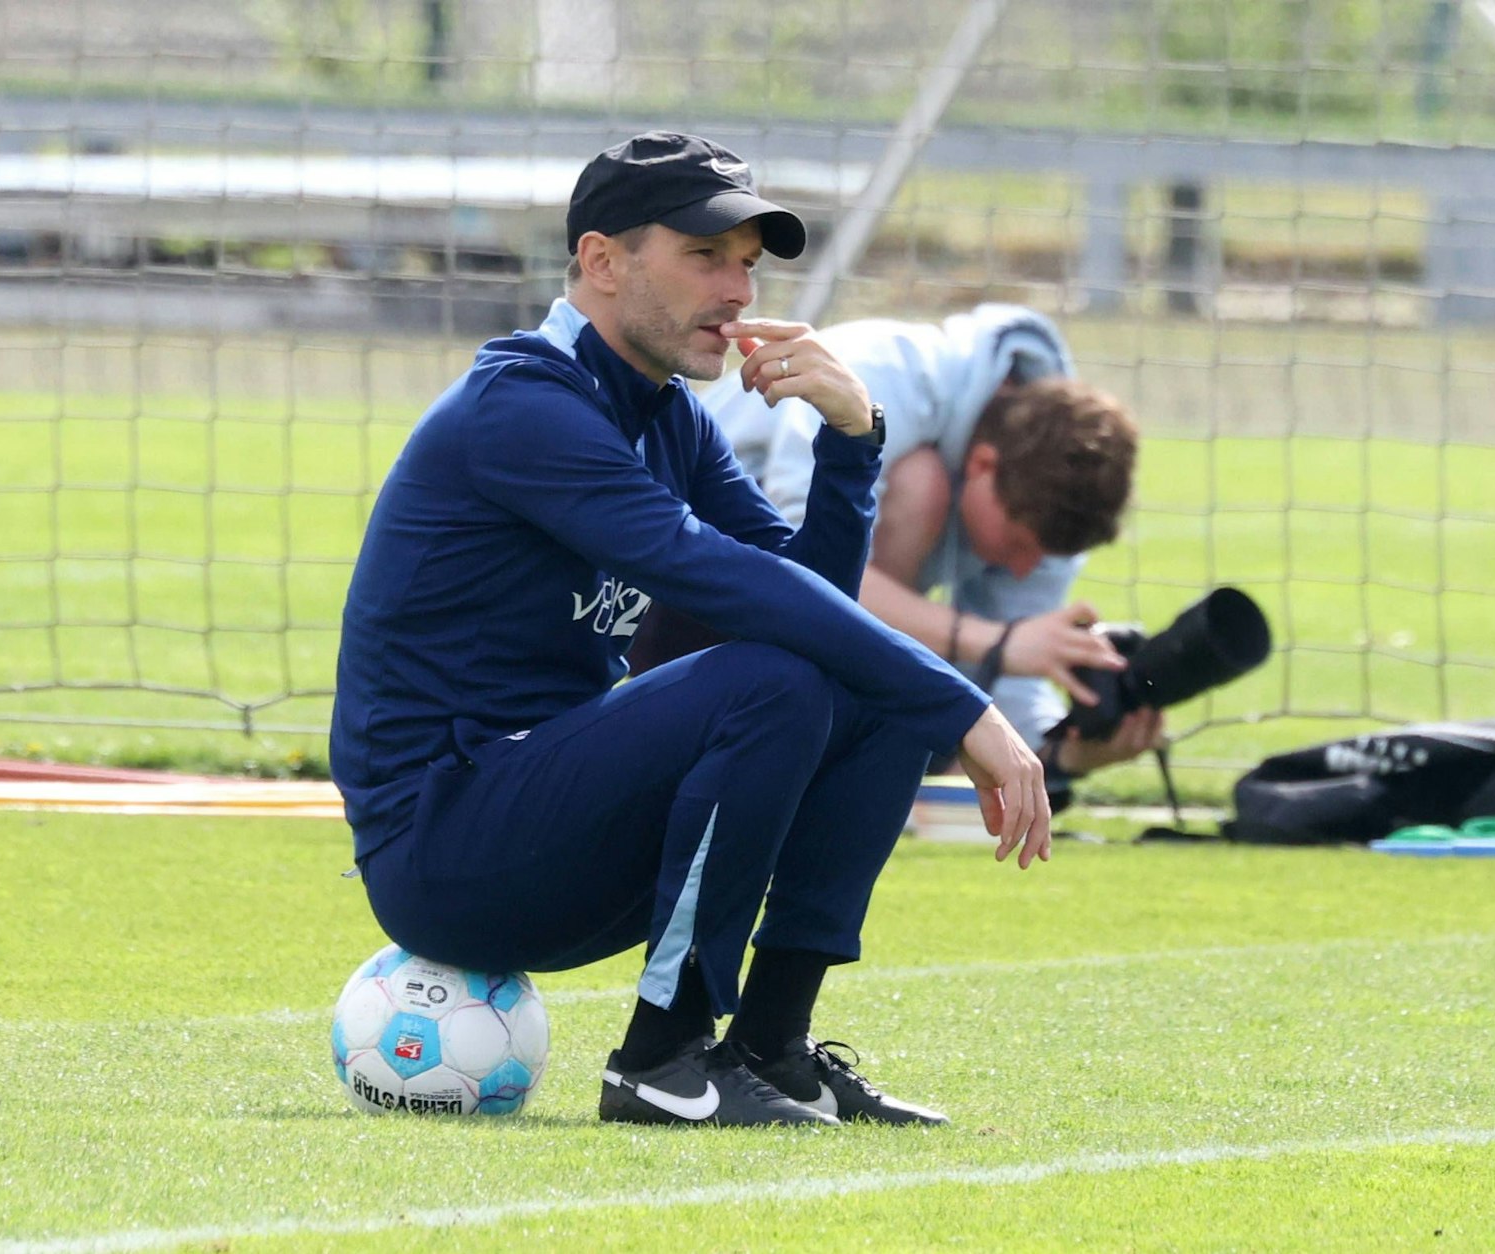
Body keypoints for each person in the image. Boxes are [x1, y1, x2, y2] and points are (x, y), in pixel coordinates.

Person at [329, 131, 1050, 1130]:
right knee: (779, 680)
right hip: (446, 850)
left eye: (747, 264)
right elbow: (722, 580)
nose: (737, 291)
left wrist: (852, 444)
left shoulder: (664, 417)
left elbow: (810, 604)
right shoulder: (523, 406)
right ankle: (660, 1061)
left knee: (857, 681)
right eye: (704, 256)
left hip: (562, 830)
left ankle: (770, 1050)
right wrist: (967, 705)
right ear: (601, 261)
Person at [635, 304, 1158, 809]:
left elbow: (1009, 688)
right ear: (982, 464)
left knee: (951, 739)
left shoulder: (1047, 507)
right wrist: (993, 641)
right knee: (919, 483)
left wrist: (1068, 752)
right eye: (1020, 545)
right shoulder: (882, 371)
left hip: (792, 631)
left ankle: (842, 750)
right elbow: (805, 567)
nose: (1024, 569)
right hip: (663, 589)